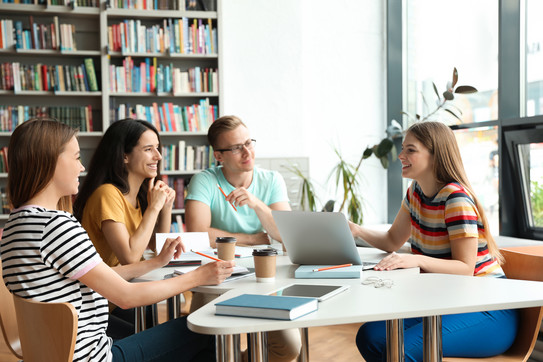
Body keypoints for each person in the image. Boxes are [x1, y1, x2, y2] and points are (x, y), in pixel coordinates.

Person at [1, 118, 235, 361]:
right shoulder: (56, 225)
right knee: (207, 329)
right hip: (95, 356)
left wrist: (154, 263)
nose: (82, 167)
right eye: (76, 157)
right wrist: (199, 276)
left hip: (57, 353)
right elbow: (126, 297)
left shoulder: (16, 224)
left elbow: (100, 274)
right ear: (50, 160)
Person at [349, 121, 518, 361]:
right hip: (450, 302)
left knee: (403, 350)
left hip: (489, 309)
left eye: (410, 149)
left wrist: (415, 260)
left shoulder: (455, 199)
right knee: (371, 336)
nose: (400, 155)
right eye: (403, 148)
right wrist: (356, 231)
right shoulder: (415, 193)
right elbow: (392, 240)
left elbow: (465, 268)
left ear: (435, 155)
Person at [184, 115, 301, 362]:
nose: (247, 152)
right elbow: (197, 232)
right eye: (237, 147)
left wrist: (257, 203)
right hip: (216, 276)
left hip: (267, 278)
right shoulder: (205, 180)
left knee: (289, 347)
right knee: (205, 345)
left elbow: (288, 234)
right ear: (219, 155)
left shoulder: (271, 180)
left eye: (249, 143)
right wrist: (252, 239)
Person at [73, 119, 175, 338]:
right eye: (148, 149)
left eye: (158, 148)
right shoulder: (107, 194)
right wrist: (155, 207)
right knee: (158, 334)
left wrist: (165, 208)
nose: (157, 156)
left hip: (118, 295)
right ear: (124, 156)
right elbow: (130, 256)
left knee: (152, 321)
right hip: (96, 307)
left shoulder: (137, 197)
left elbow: (157, 250)